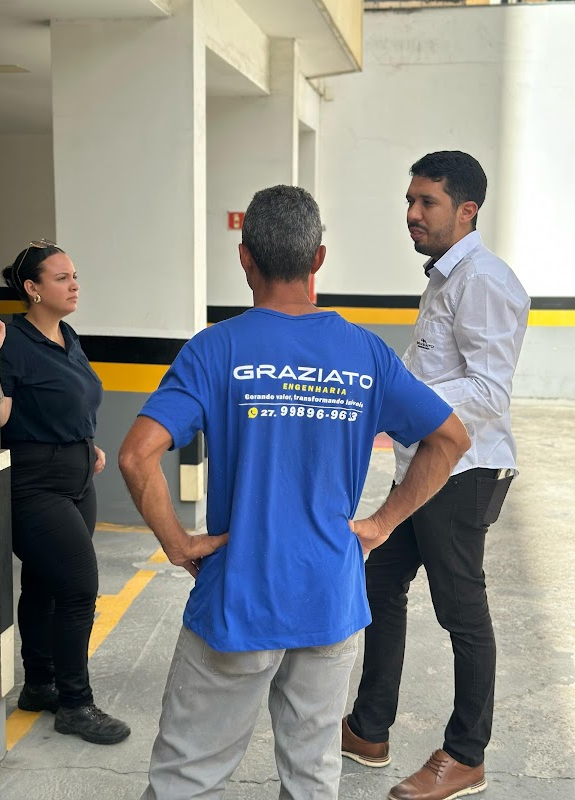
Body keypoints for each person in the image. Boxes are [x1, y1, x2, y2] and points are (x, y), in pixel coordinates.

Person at [118, 185, 470, 800]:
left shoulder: (215, 349)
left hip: (239, 597)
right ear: (320, 259)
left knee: (188, 779)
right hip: (329, 598)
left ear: (245, 258)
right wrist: (380, 524)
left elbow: (135, 454)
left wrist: (176, 543)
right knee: (312, 777)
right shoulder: (365, 352)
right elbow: (450, 439)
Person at [342, 152, 530, 800]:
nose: (412, 214)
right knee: (379, 578)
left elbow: (487, 389)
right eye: (410, 201)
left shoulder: (483, 279)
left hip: (463, 470)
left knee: (462, 613)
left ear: (466, 210)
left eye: (427, 202)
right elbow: (427, 366)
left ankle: (466, 754)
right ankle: (369, 729)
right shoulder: (447, 278)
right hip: (427, 466)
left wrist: (399, 409)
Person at [0, 239, 130, 745]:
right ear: (32, 289)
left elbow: (71, 399)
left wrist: (87, 444)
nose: (74, 284)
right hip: (34, 482)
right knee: (78, 588)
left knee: (45, 585)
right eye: (61, 278)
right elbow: (3, 413)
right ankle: (75, 702)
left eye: (74, 275)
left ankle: (39, 684)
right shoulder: (9, 342)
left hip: (76, 475)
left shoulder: (67, 335)